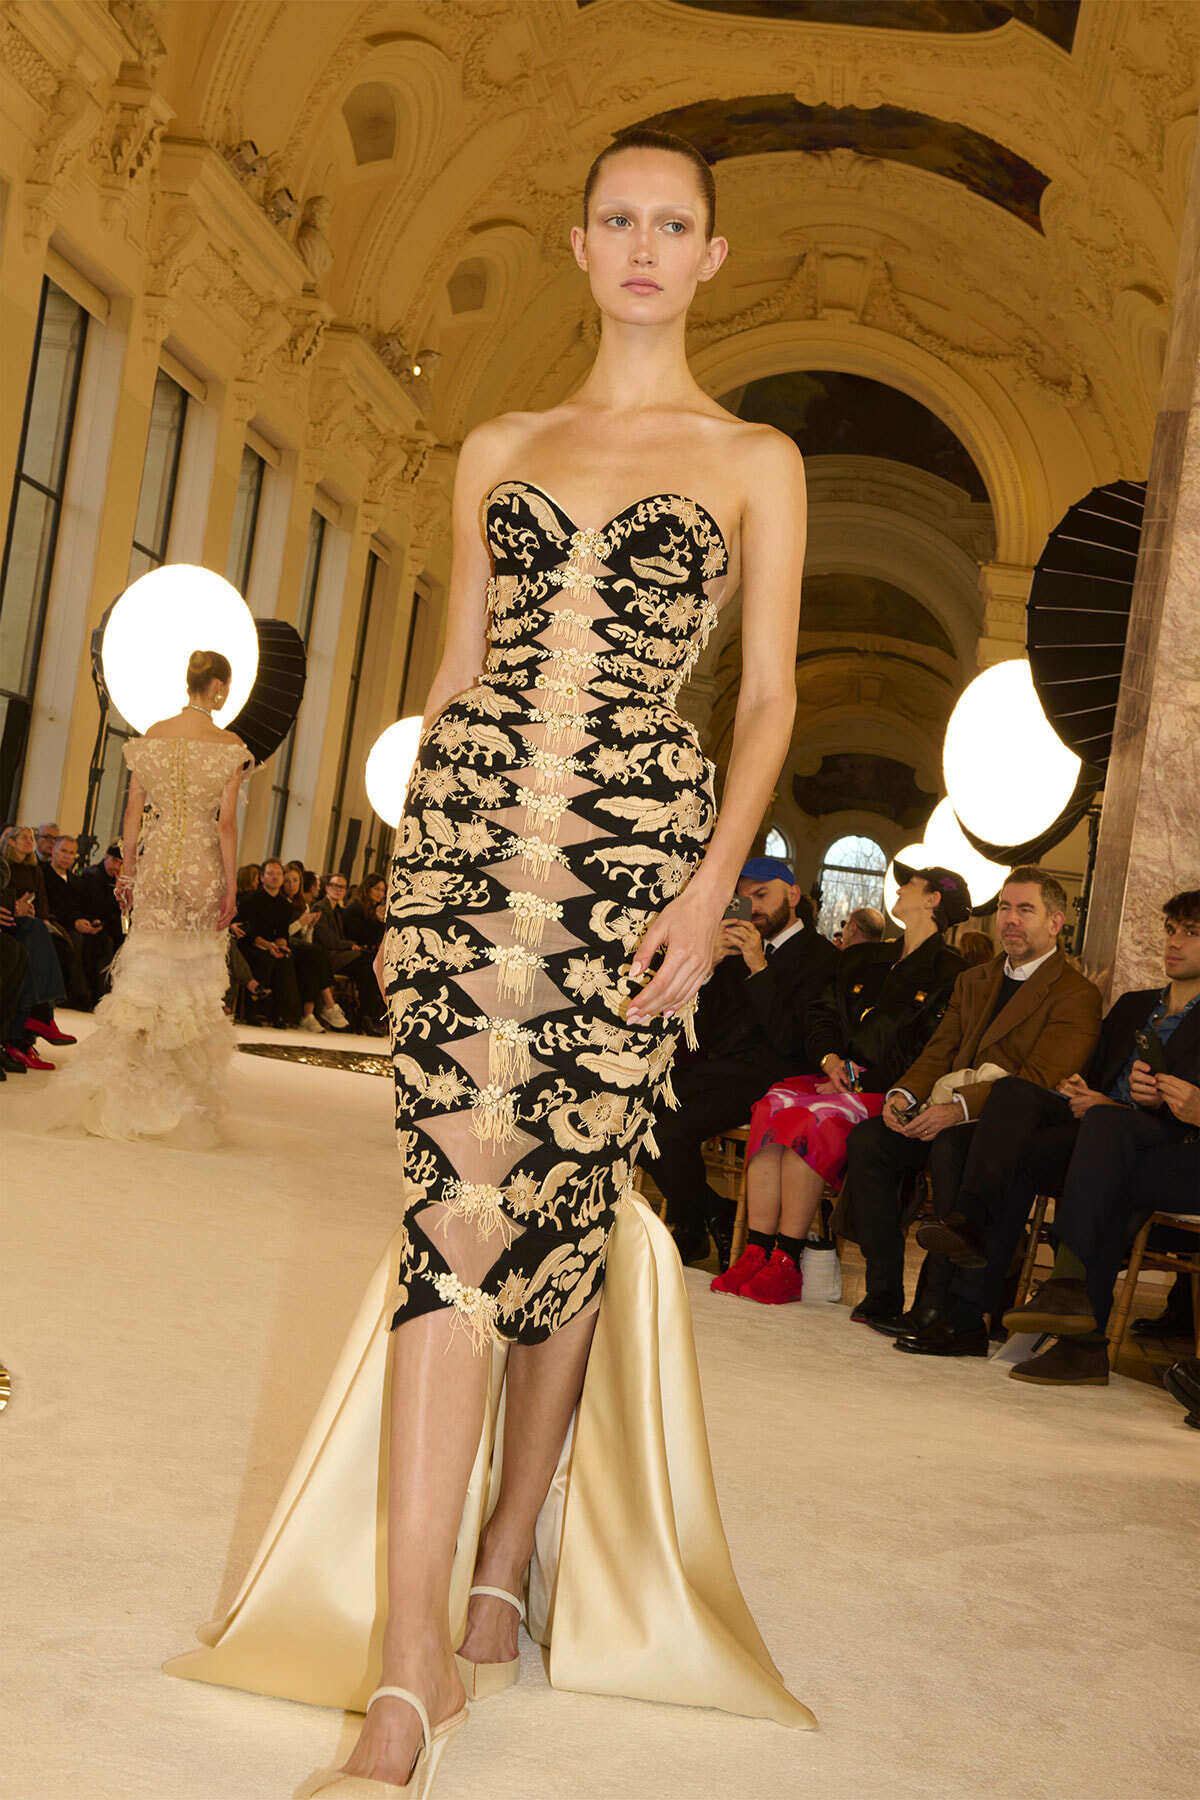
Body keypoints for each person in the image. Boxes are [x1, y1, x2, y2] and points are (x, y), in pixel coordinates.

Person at [167, 127, 817, 1789]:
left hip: (634, 851)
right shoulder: (499, 442)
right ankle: (407, 1675)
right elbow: (455, 671)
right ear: (583, 245)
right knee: (452, 1212)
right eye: (619, 218)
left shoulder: (755, 459)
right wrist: (411, 877)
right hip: (469, 846)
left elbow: (763, 698)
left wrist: (714, 887)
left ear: (711, 256)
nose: (648, 245)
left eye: (677, 223)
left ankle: (509, 1544)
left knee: (568, 1201)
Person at [915, 890, 1199, 1382]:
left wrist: (1175, 1106)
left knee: (1095, 1137)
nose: (1174, 942)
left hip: (1166, 1144)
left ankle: (1062, 1297)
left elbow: (1167, 1112)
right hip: (1096, 1133)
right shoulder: (1134, 1007)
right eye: (1171, 929)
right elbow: (1091, 1071)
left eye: (1191, 933)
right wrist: (1080, 1087)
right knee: (1014, 1096)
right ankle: (970, 1230)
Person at [843, 866, 1102, 1342]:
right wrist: (904, 1094)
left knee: (951, 1148)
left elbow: (1040, 1080)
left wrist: (957, 1110)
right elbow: (940, 1049)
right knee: (870, 1142)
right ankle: (883, 1290)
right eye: (1005, 908)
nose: (1011, 920)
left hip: (1000, 1128)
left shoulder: (1076, 994)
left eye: (1026, 910)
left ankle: (936, 1302)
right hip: (942, 1108)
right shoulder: (976, 978)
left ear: (1056, 922)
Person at [715, 864, 969, 1304]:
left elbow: (932, 1047)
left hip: (885, 1089)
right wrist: (830, 1058)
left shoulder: (951, 973)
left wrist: (860, 1076)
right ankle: (757, 1250)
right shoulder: (864, 958)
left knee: (815, 1118)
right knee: (772, 1103)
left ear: (932, 900)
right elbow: (822, 1014)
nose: (900, 887)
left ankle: (787, 1260)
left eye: (911, 883)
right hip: (830, 1077)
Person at [22, 651, 248, 1141]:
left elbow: (132, 809)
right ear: (218, 688)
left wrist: (128, 869)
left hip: (158, 853)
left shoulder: (152, 737)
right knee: (190, 979)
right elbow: (225, 823)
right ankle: (174, 1098)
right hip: (200, 861)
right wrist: (231, 886)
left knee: (147, 971)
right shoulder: (230, 746)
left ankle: (121, 1090)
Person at [639, 855, 838, 1269]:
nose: (753, 907)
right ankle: (712, 1212)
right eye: (743, 898)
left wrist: (758, 967)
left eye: (762, 895)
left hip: (771, 1080)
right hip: (718, 1069)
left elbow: (791, 1041)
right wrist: (709, 965)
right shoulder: (734, 948)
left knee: (667, 1130)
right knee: (629, 1114)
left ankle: (692, 1224)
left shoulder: (821, 958)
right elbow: (705, 1030)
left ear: (794, 896)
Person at [0, 825, 72, 1064]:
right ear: (9, 842)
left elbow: (41, 901)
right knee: (30, 939)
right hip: (11, 922)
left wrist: (34, 913)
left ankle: (28, 1033)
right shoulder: (5, 864)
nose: (29, 841)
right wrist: (17, 909)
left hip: (23, 920)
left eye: (32, 837)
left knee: (52, 939)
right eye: (25, 837)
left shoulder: (34, 869)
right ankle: (35, 1023)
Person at [42, 833, 115, 1010]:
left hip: (79, 924)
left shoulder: (76, 880)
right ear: (54, 851)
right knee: (75, 940)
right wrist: (75, 922)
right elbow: (49, 907)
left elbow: (84, 906)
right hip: (58, 924)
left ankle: (101, 994)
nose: (68, 856)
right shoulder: (44, 874)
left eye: (72, 853)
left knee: (104, 940)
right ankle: (78, 994)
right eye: (64, 851)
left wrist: (93, 921)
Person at [314, 871, 385, 1033]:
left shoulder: (338, 910)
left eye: (342, 887)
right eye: (377, 889)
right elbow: (330, 939)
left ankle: (366, 1015)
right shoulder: (328, 908)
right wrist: (351, 944)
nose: (381, 894)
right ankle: (365, 1016)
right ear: (327, 888)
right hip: (330, 956)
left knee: (372, 966)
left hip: (344, 954)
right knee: (371, 964)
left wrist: (380, 922)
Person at [282, 860, 348, 1031]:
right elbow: (281, 933)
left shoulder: (303, 905)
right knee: (317, 953)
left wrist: (309, 927)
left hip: (300, 947)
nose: (292, 885)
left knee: (314, 959)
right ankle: (329, 1005)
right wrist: (299, 923)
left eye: (295, 880)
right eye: (288, 881)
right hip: (284, 944)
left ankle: (309, 1015)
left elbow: (305, 940)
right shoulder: (281, 903)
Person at [78, 841, 124, 945]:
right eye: (114, 861)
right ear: (106, 856)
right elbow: (98, 908)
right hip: (93, 922)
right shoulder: (91, 876)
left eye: (121, 863)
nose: (117, 867)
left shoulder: (119, 879)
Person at [342, 872, 387, 953]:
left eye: (383, 890)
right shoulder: (356, 908)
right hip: (355, 950)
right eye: (377, 889)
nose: (380, 893)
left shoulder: (376, 909)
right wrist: (378, 921)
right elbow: (361, 938)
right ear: (367, 889)